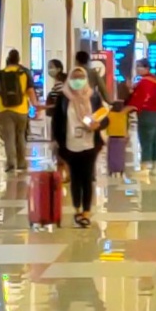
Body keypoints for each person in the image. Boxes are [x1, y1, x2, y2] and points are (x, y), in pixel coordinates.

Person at [50, 67, 108, 227]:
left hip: (90, 144)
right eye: (74, 78)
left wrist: (98, 124)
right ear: (69, 79)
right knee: (75, 178)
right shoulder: (63, 97)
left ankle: (87, 211)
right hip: (69, 144)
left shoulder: (93, 96)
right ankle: (77, 209)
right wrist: (56, 142)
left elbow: (104, 117)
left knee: (87, 177)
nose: (77, 81)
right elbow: (57, 121)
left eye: (81, 77)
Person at [0, 49, 40, 172]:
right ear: (18, 59)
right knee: (20, 135)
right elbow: (30, 91)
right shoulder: (24, 72)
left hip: (4, 109)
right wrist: (35, 105)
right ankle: (21, 163)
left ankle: (10, 163)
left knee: (9, 136)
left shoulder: (0, 74)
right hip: (21, 110)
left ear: (8, 59)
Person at [125, 59, 156, 174]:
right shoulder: (155, 80)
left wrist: (126, 110)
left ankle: (145, 167)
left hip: (146, 114)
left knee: (145, 139)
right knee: (155, 139)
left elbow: (138, 100)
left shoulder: (144, 82)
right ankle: (155, 167)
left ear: (147, 68)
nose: (137, 69)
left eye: (139, 66)